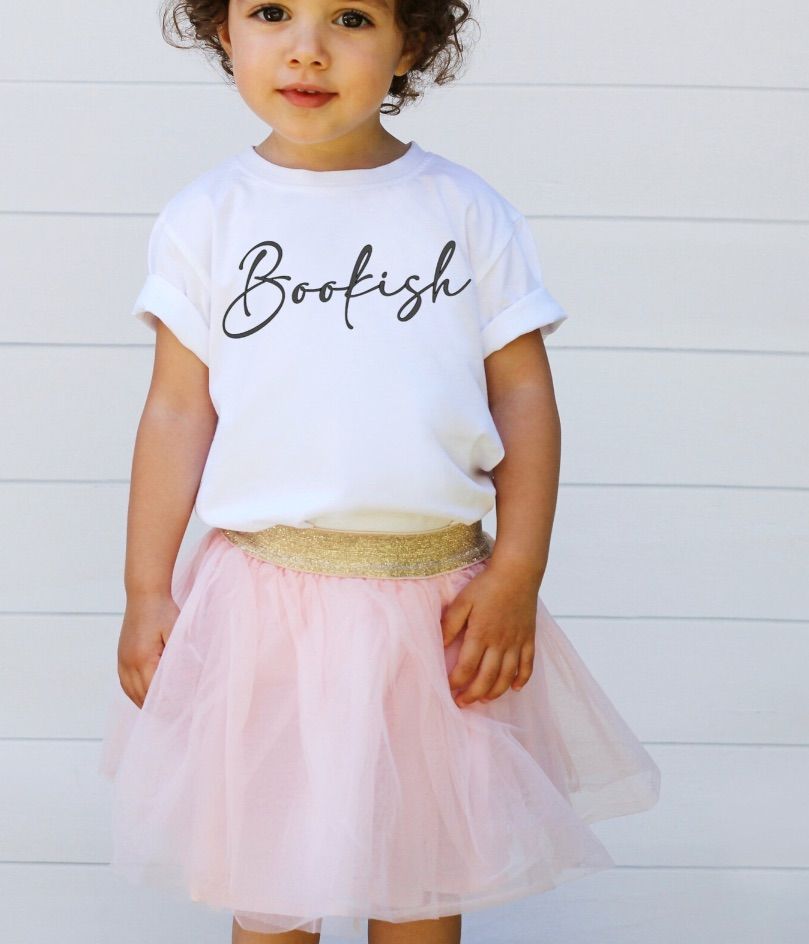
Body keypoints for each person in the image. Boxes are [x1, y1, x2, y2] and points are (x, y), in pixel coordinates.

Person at [98, 1, 661, 942]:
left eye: (351, 16)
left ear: (412, 42)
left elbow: (523, 401)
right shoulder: (208, 216)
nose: (307, 47)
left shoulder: (462, 208)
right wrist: (144, 587)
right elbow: (176, 409)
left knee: (420, 872)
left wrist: (518, 572)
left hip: (432, 606)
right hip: (262, 607)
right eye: (270, 11)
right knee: (270, 877)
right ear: (224, 30)